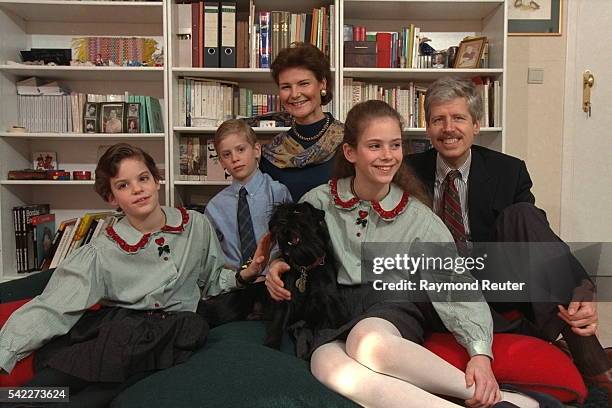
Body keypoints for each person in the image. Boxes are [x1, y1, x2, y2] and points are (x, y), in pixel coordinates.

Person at [266, 100, 538, 408]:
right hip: (331, 310)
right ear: (350, 152)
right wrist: (276, 264)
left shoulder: (418, 218)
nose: (387, 156)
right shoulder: (318, 200)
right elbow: (294, 248)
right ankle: (500, 404)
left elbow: (453, 284)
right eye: (375, 145)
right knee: (326, 366)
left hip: (388, 306)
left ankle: (483, 394)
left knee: (368, 343)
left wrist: (479, 353)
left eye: (395, 145)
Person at [0, 143, 266, 407]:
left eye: (143, 178)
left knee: (88, 399)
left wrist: (245, 274)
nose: (138, 189)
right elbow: (53, 306)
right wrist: (5, 352)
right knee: (39, 389)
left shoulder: (196, 225)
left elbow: (212, 280)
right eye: (123, 185)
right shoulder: (102, 250)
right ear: (111, 198)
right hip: (119, 332)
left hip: (173, 331)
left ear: (157, 180)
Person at [404, 77, 612, 401]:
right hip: (436, 283)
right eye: (438, 120)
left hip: (493, 279)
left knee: (523, 216)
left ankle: (584, 348)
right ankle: (559, 342)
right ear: (427, 127)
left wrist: (582, 286)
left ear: (476, 124)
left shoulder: (508, 170)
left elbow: (535, 235)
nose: (448, 128)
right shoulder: (406, 171)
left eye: (458, 118)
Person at [203, 120, 291, 324]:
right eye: (226, 155)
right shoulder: (215, 207)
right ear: (222, 162)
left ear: (256, 150)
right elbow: (213, 258)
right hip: (236, 286)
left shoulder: (278, 192)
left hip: (272, 283)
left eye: (240, 149)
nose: (235, 159)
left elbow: (288, 244)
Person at [259, 43, 344, 201]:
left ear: (322, 84)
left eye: (303, 84)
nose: (295, 94)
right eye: (286, 87)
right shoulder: (271, 154)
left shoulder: (350, 142)